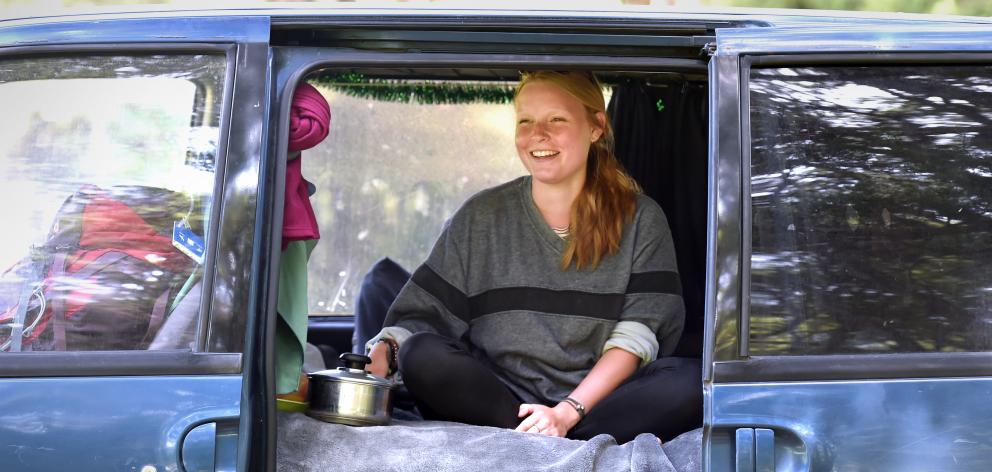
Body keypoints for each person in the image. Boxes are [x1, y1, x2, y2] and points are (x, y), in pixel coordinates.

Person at [365, 70, 701, 444]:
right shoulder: (481, 215)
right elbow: (425, 315)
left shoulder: (641, 218)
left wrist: (566, 412)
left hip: (597, 405)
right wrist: (388, 349)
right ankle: (535, 436)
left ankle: (552, 437)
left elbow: (637, 337)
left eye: (556, 119)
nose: (537, 135)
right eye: (526, 121)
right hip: (497, 399)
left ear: (595, 127)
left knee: (690, 382)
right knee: (420, 353)